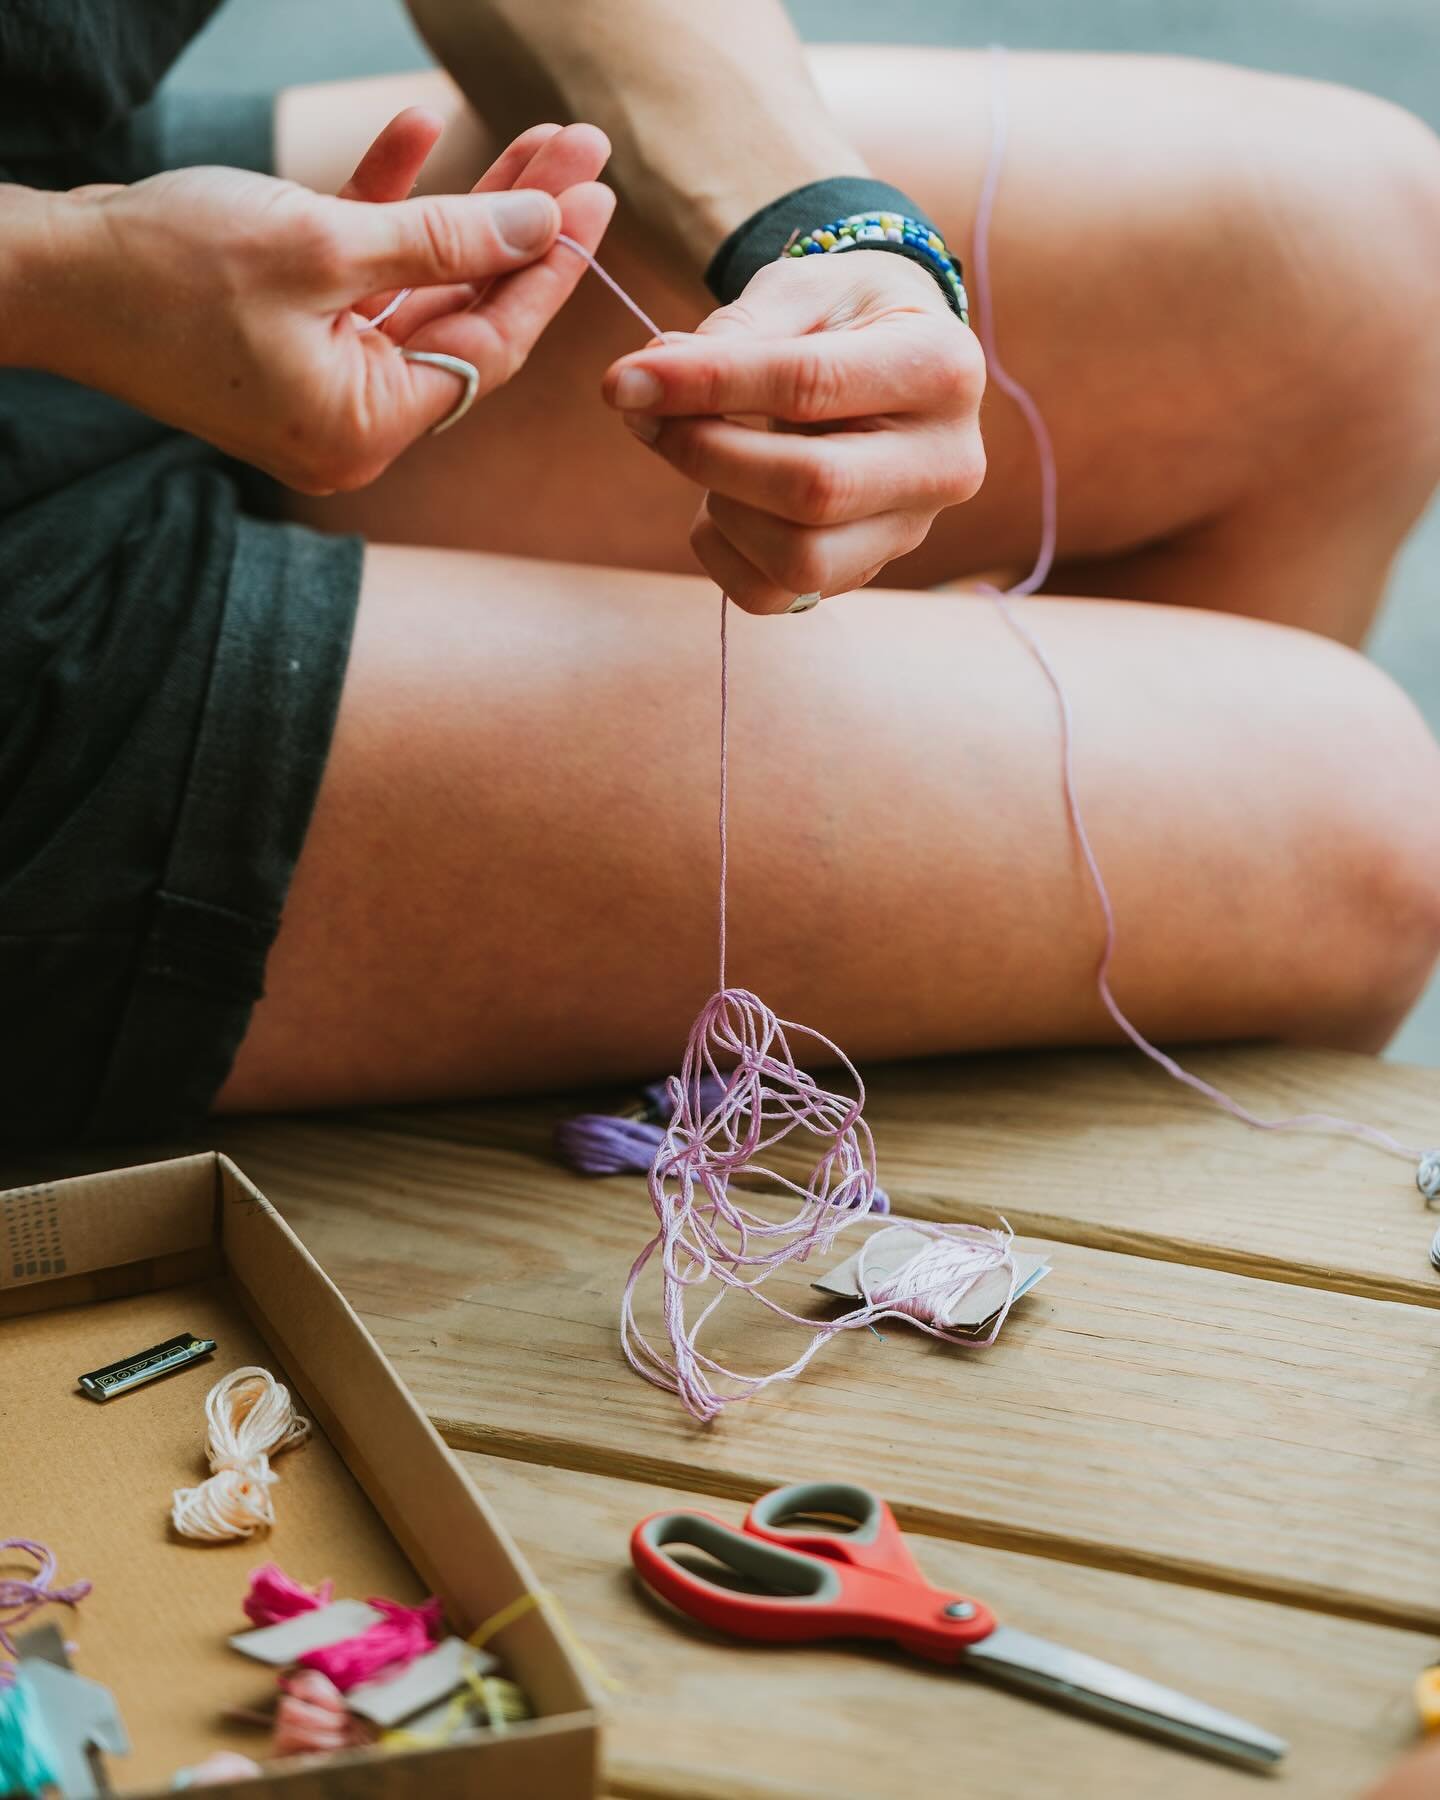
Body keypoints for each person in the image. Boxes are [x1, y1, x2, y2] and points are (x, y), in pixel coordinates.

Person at [1, 1, 1438, 1144]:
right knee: (1365, 827)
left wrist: (828, 233)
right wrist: (56, 280)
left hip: (86, 185)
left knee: (1364, 253)